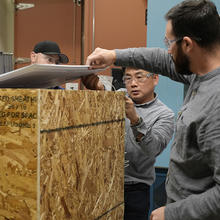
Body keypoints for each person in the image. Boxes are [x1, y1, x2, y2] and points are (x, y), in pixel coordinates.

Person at [85, 0, 220, 220]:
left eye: (169, 43)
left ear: (187, 45)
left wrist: (173, 213)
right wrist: (114, 55)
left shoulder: (215, 102)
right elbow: (160, 59)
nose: (167, 50)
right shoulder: (199, 73)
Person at [85, 66, 174, 219]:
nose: (133, 83)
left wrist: (135, 119)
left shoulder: (164, 114)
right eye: (128, 78)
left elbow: (153, 149)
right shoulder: (118, 96)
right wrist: (98, 90)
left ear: (155, 78)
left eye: (139, 77)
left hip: (135, 190)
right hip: (103, 183)